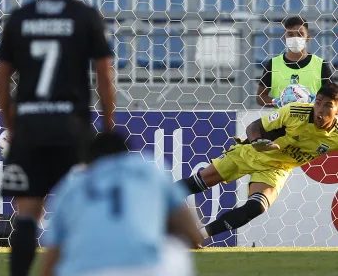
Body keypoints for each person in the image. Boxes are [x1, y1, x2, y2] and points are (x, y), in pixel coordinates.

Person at [0, 0, 115, 276]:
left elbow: (1, 76)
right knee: (81, 213)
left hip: (30, 127)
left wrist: (11, 121)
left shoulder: (21, 17)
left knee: (27, 215)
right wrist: (107, 125)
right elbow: (104, 73)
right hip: (72, 129)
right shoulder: (86, 16)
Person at [180, 82, 338, 242]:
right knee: (199, 181)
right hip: (250, 153)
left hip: (276, 168)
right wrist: (256, 142)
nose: (320, 110)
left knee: (257, 206)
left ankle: (198, 236)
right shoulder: (295, 112)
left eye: (328, 106)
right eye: (317, 102)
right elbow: (253, 127)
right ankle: (155, 199)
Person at [40, 132, 202, 276]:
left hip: (84, 271)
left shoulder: (70, 187)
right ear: (127, 154)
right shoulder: (149, 168)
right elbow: (193, 236)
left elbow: (51, 259)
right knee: (175, 250)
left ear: (87, 163)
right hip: (144, 268)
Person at [257, 16, 333, 107]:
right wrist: (276, 102)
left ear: (308, 38)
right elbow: (260, 96)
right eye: (290, 34)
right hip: (282, 120)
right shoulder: (273, 64)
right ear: (284, 38)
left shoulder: (321, 65)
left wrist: (317, 102)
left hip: (312, 120)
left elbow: (332, 97)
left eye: (300, 34)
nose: (295, 38)